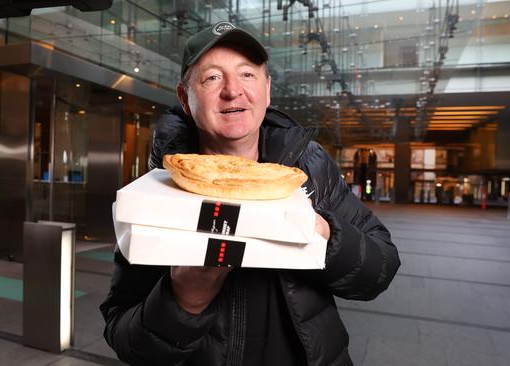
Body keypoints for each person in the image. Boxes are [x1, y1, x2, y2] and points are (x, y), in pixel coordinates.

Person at [101, 21, 400, 366]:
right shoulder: (159, 190)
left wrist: (326, 234)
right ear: (185, 98)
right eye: (212, 77)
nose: (233, 90)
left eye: (247, 74)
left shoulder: (309, 166)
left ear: (267, 90)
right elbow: (124, 337)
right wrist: (183, 300)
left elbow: (381, 268)